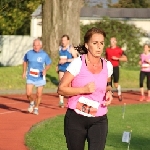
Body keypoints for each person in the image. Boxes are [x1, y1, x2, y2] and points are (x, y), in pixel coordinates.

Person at [57, 27, 113, 150]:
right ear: (87, 45)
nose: (99, 46)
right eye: (95, 43)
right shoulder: (77, 63)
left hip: (99, 118)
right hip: (76, 118)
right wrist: (83, 89)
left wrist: (109, 92)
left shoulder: (107, 65)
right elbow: (61, 89)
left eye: (101, 43)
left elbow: (107, 84)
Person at [22, 39, 51, 115]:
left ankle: (36, 108)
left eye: (37, 45)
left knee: (39, 94)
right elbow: (25, 61)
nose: (36, 47)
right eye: (34, 45)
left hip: (40, 77)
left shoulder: (44, 55)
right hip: (30, 76)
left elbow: (48, 64)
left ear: (40, 46)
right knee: (28, 93)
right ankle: (32, 101)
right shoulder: (29, 53)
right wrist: (24, 71)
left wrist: (45, 70)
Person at [57, 35, 78, 108]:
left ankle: (71, 100)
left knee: (69, 85)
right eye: (62, 40)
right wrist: (58, 65)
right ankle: (61, 101)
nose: (63, 42)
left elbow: (76, 58)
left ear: (68, 41)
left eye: (65, 40)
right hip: (61, 68)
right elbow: (60, 59)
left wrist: (66, 60)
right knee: (61, 83)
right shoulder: (60, 48)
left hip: (69, 69)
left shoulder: (71, 48)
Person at [105, 37, 127, 101]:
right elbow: (105, 58)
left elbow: (125, 59)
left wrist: (117, 58)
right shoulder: (107, 49)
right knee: (108, 83)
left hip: (115, 68)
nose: (111, 42)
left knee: (116, 84)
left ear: (115, 42)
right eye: (110, 41)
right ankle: (108, 96)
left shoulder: (119, 50)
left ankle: (119, 94)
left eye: (113, 41)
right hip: (108, 68)